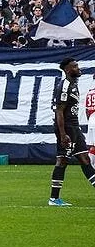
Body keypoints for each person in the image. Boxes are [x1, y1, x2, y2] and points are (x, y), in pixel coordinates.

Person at [48, 58, 95, 206]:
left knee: (85, 159)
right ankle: (54, 198)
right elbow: (59, 111)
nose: (78, 68)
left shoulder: (74, 84)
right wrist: (63, 134)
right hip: (67, 128)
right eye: (75, 66)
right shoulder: (64, 86)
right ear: (67, 70)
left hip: (74, 127)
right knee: (62, 160)